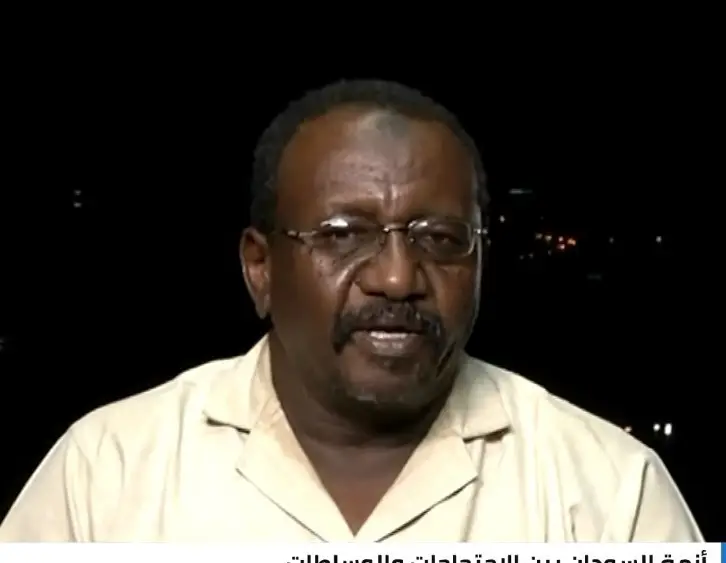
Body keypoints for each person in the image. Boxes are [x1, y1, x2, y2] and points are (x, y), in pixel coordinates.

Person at [0, 80, 702, 542]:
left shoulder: (612, 494)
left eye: (440, 239)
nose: (398, 278)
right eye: (343, 235)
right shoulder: (105, 475)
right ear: (260, 267)